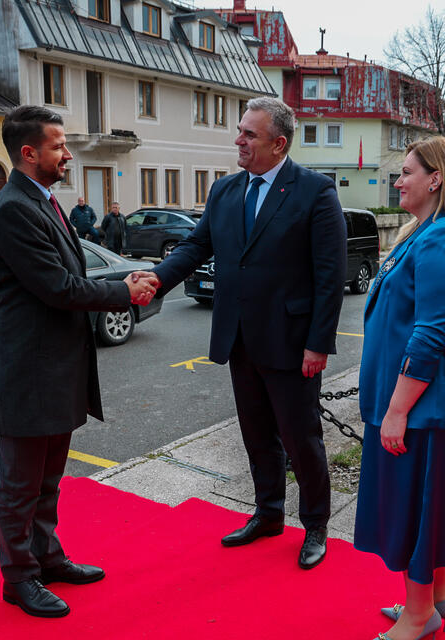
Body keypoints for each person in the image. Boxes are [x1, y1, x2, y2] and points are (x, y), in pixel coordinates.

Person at [135, 97, 346, 570]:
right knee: (255, 434)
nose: (239, 140)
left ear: (279, 143)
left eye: (249, 134)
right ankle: (268, 513)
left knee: (301, 438)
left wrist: (318, 343)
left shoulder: (314, 191)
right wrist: (156, 280)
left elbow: (330, 276)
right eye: (240, 131)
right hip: (239, 336)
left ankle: (315, 525)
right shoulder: (225, 191)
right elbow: (195, 245)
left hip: (291, 341)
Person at [0, 105, 157, 619]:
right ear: (28, 152)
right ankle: (19, 578)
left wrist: (119, 287)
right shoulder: (15, 208)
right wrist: (122, 291)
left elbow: (69, 273)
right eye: (59, 146)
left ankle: (47, 558)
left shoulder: (43, 200)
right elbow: (58, 287)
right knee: (19, 485)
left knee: (47, 481)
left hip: (53, 369)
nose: (68, 154)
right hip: (28, 372)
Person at [353, 136, 445, 640]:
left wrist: (396, 410)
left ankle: (420, 612)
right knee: (429, 505)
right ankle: (438, 595)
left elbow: (430, 333)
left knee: (417, 506)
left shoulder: (442, 237)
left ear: (436, 178)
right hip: (419, 404)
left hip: (423, 408)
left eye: (406, 172)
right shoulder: (424, 231)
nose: (397, 180)